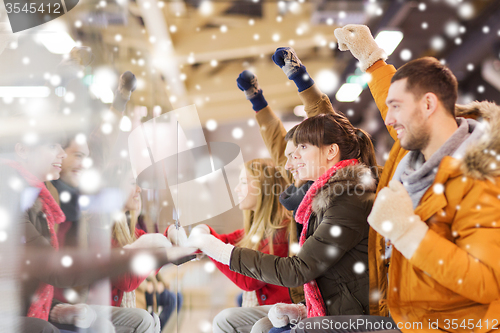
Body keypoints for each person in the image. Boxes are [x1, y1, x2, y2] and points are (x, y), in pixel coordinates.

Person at [288, 24, 500, 333]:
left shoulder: (480, 183)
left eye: (396, 109)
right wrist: (372, 60)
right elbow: (396, 103)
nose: (387, 119)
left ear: (429, 107)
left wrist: (406, 231)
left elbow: (485, 282)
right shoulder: (415, 155)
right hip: (399, 311)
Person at [188, 111, 379, 332]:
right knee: (256, 325)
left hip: (355, 317)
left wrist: (217, 249)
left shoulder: (349, 200)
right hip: (334, 309)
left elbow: (298, 270)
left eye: (303, 148)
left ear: (331, 151)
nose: (291, 162)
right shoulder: (329, 199)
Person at [170, 158, 294, 333]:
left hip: (284, 313)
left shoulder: (282, 232)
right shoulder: (256, 230)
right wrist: (200, 234)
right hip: (269, 309)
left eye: (243, 182)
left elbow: (249, 280)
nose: (237, 189)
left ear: (263, 188)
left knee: (224, 321)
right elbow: (226, 240)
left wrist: (207, 244)